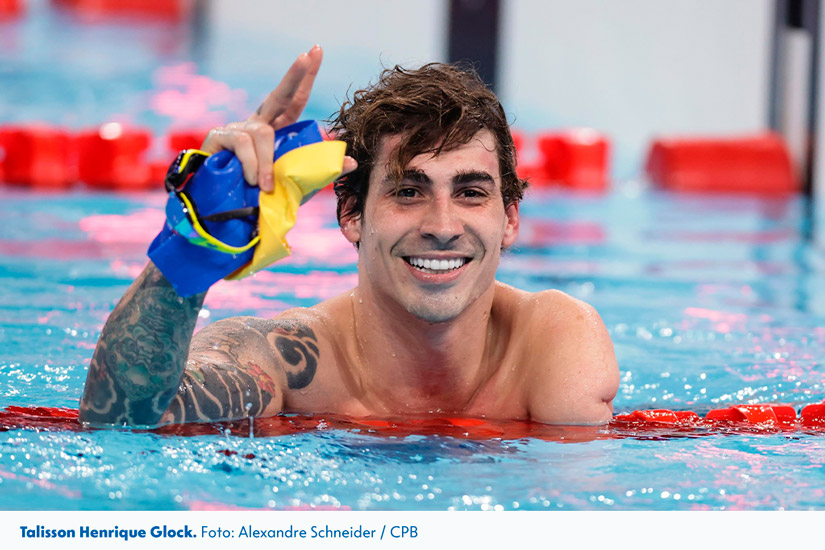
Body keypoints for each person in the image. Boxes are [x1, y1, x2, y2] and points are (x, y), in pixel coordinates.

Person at [79, 45, 619, 428]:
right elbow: (122, 420)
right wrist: (190, 250)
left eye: (471, 192)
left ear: (510, 220)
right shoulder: (288, 363)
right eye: (408, 192)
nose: (442, 226)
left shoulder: (551, 344)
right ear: (352, 214)